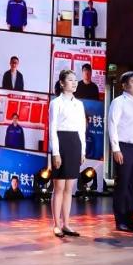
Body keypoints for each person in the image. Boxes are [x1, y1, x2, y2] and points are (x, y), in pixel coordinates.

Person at [109, 71, 133, 233]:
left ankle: (130, 220)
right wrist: (116, 149)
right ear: (124, 85)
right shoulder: (118, 102)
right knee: (123, 185)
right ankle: (120, 221)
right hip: (124, 147)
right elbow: (112, 125)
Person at [49, 69, 86, 238]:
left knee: (69, 187)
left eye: (75, 80)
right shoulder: (56, 103)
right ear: (62, 83)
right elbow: (52, 129)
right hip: (61, 141)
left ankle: (66, 224)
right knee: (59, 187)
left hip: (74, 143)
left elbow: (82, 129)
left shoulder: (79, 104)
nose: (74, 83)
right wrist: (56, 152)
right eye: (70, 80)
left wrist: (82, 150)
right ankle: (56, 225)